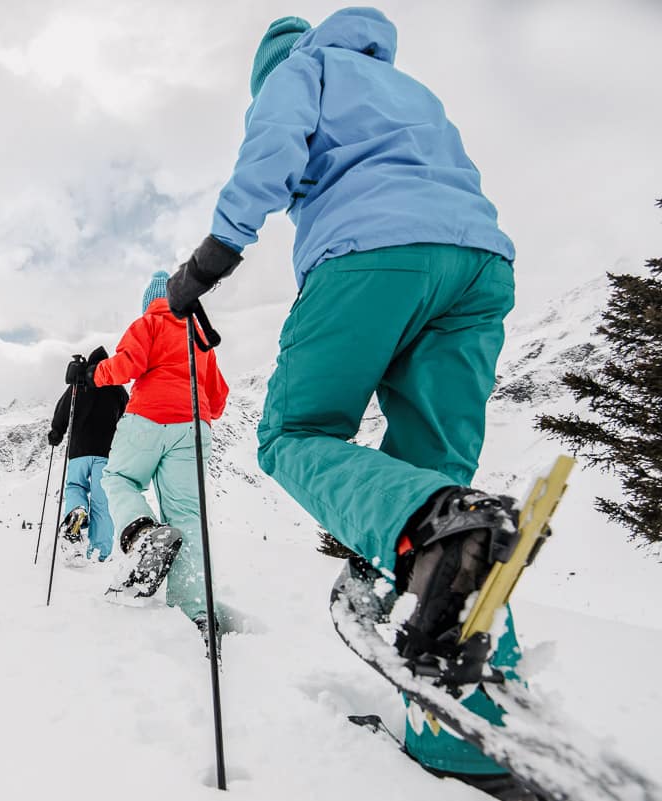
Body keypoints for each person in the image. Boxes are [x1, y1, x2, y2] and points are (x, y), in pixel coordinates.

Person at [165, 9, 532, 799]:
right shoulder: (409, 88)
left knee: (295, 432)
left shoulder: (304, 71)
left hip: (374, 257)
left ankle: (432, 533)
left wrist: (210, 259)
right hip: (480, 268)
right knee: (439, 487)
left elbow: (273, 147)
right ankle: (465, 734)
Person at [90, 270, 229, 641]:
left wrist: (92, 375)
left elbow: (125, 367)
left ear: (151, 300)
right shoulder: (200, 337)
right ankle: (196, 611)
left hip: (147, 417)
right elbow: (218, 398)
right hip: (194, 427)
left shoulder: (148, 323)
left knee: (118, 478)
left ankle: (141, 534)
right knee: (186, 515)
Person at [49, 347, 128, 562]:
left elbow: (63, 410)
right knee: (103, 501)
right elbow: (127, 415)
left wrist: (56, 432)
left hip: (78, 451)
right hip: (106, 452)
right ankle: (100, 553)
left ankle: (77, 510)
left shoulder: (78, 384)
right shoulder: (117, 387)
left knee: (76, 487)